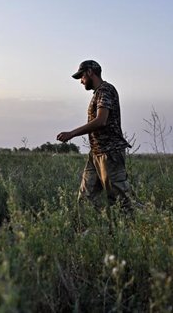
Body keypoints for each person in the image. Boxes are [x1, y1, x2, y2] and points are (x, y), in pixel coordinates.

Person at [57, 60, 134, 213]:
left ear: (90, 72)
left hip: (110, 153)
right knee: (85, 198)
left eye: (82, 76)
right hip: (96, 154)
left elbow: (101, 121)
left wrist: (72, 133)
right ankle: (89, 231)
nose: (81, 81)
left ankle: (147, 226)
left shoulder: (106, 90)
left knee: (121, 202)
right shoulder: (98, 93)